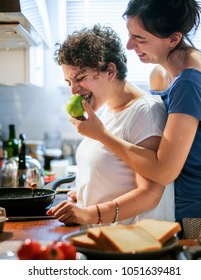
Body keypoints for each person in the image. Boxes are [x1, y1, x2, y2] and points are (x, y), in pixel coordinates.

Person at [69, 0, 201, 240]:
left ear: (173, 39)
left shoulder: (190, 83)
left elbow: (163, 171)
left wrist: (102, 135)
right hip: (188, 211)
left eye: (140, 38)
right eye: (130, 35)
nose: (129, 45)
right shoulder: (161, 74)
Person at [46, 24, 174, 226]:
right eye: (68, 82)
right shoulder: (105, 110)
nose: (74, 90)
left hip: (132, 246)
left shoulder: (146, 111)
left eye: (80, 78)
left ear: (110, 71)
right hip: (102, 240)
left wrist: (90, 213)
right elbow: (114, 176)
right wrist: (86, 194)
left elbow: (150, 194)